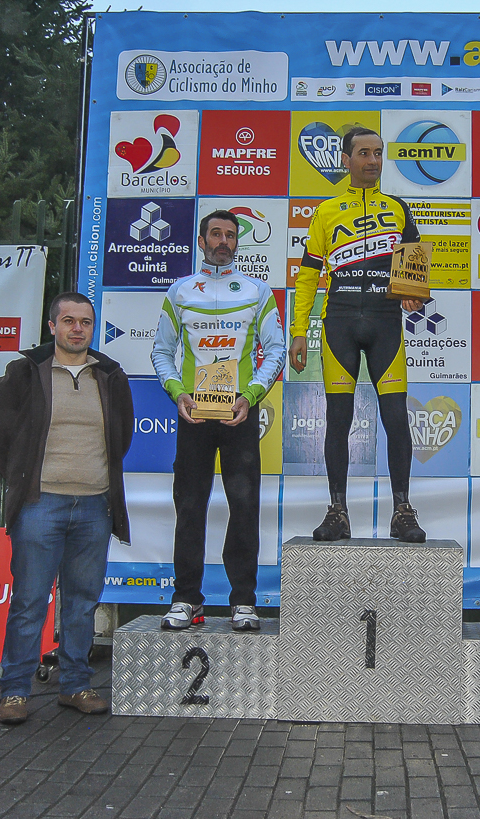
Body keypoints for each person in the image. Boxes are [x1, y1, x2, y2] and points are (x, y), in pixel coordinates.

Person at [0, 292, 134, 724]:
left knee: (82, 603)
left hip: (95, 506)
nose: (77, 329)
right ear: (52, 326)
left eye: (85, 322)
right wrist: (23, 478)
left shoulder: (110, 375)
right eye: (68, 321)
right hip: (40, 504)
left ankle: (75, 685)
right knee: (29, 602)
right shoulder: (24, 372)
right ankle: (14, 691)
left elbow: (122, 435)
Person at [288, 126, 427, 543]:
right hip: (340, 321)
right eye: (364, 153)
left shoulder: (398, 208)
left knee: (396, 417)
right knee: (338, 419)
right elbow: (308, 274)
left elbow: (414, 263)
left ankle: (402, 511)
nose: (373, 161)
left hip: (385, 322)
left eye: (378, 153)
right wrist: (299, 330)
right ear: (346, 160)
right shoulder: (327, 211)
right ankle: (338, 512)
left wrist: (413, 293)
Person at [151, 210, 285, 630]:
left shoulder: (258, 291)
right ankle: (187, 598)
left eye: (230, 235)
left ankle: (243, 600)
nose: (223, 241)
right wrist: (178, 392)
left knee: (244, 506)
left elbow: (276, 350)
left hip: (238, 414)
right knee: (189, 506)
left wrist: (251, 395)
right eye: (216, 234)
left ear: (237, 242)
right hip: (194, 414)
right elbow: (161, 351)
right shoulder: (179, 291)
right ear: (202, 241)